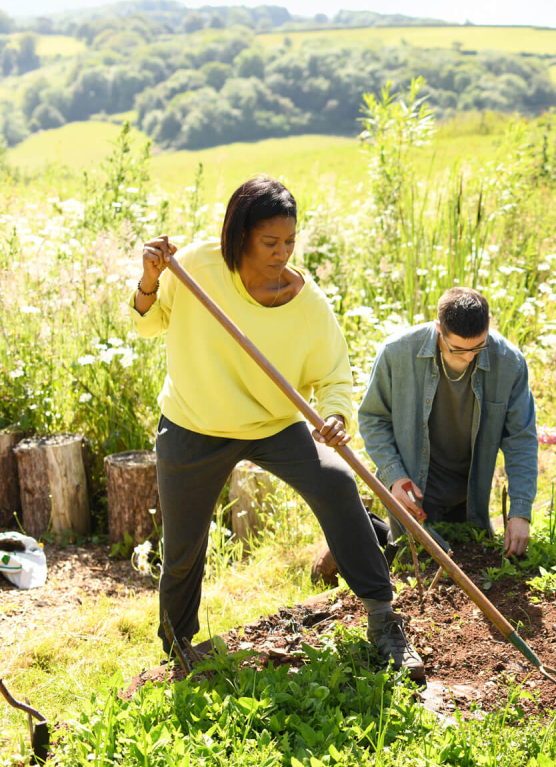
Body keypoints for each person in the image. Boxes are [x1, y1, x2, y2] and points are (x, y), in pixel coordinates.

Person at [132, 176, 425, 682]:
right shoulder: (197, 266)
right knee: (183, 545)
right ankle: (178, 645)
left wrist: (334, 415)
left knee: (336, 482)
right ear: (241, 234)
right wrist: (150, 278)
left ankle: (382, 618)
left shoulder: (306, 303)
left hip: (273, 423)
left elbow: (334, 375)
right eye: (271, 242)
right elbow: (146, 322)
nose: (282, 252)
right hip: (194, 424)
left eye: (290, 241)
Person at [357, 288, 538, 559]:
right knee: (408, 558)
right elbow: (373, 418)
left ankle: (368, 529)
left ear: (489, 323)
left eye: (478, 347)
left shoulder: (509, 363)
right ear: (438, 328)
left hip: (469, 496)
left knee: (468, 559)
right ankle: (359, 530)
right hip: (415, 487)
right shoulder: (396, 352)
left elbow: (521, 440)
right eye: (458, 349)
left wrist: (520, 512)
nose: (469, 357)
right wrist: (395, 476)